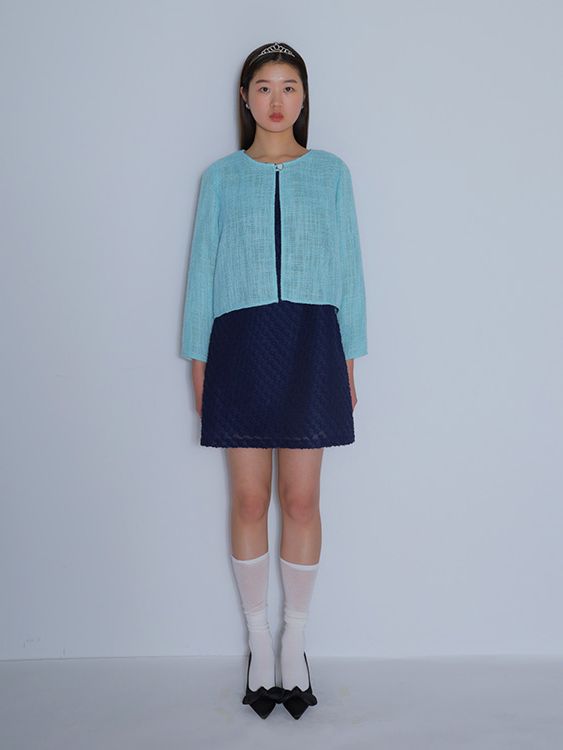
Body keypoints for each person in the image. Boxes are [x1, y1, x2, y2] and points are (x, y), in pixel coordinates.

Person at [180, 41, 368, 720]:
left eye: (289, 86)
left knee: (301, 499)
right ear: (245, 98)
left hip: (313, 341)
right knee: (248, 498)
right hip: (239, 341)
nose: (277, 99)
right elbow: (201, 271)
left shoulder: (332, 174)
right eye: (264, 86)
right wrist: (198, 361)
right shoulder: (221, 179)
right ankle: (258, 639)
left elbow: (349, 268)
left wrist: (350, 357)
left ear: (304, 97)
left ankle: (295, 640)